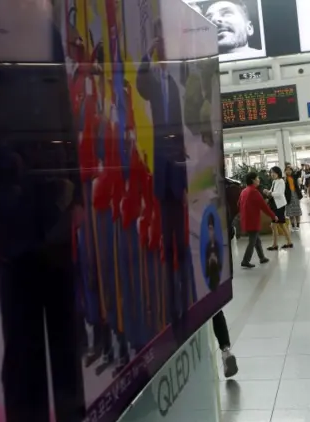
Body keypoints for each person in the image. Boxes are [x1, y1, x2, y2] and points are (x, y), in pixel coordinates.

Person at [0, 22, 86, 422]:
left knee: (65, 332)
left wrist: (80, 194)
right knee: (22, 340)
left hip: (58, 197)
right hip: (11, 201)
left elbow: (65, 112)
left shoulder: (45, 26)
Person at [137, 20, 196, 338]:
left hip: (176, 176)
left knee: (181, 245)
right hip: (161, 176)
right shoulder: (153, 81)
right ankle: (171, 312)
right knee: (167, 247)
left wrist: (185, 182)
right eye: (159, 39)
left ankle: (184, 307)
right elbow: (139, 87)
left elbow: (180, 135)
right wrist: (147, 55)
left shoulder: (172, 85)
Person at [239, 171, 277, 268]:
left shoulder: (244, 191)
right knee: (252, 241)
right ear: (253, 180)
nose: (259, 180)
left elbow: (238, 204)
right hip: (252, 220)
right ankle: (245, 260)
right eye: (257, 178)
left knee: (256, 240)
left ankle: (262, 257)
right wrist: (273, 216)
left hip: (246, 219)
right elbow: (264, 206)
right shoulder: (254, 192)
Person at [264, 166, 293, 250]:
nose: (272, 174)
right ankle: (289, 242)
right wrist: (268, 193)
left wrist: (269, 193)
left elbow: (279, 193)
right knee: (281, 224)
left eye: (274, 172)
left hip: (279, 206)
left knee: (274, 225)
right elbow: (272, 192)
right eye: (271, 172)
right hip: (275, 205)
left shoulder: (280, 181)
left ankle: (275, 245)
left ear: (278, 173)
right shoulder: (274, 181)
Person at [284, 165, 302, 230]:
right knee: (290, 212)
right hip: (288, 196)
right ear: (285, 171)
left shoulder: (294, 176)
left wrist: (294, 168)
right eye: (287, 170)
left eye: (290, 170)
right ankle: (293, 226)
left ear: (292, 171)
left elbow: (299, 172)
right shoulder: (284, 179)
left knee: (297, 211)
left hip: (295, 194)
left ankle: (298, 225)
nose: (288, 171)